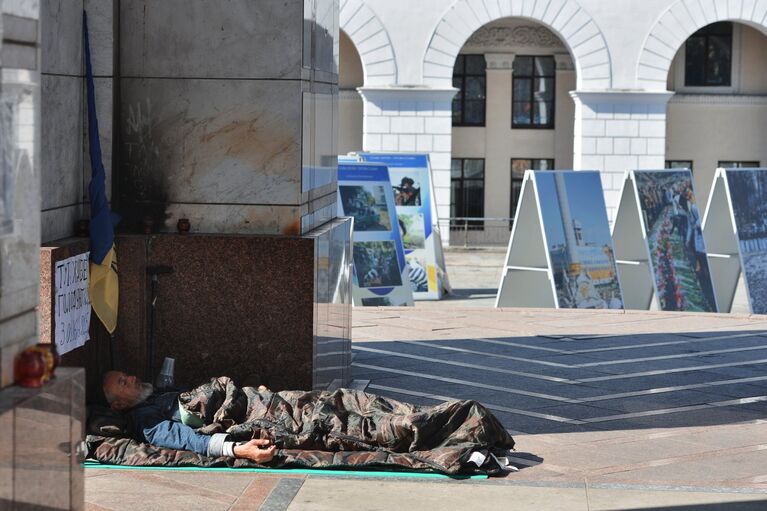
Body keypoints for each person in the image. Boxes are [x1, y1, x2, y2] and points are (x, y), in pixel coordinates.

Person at [102, 370, 276, 463]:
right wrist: (237, 450)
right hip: (255, 413)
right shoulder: (144, 419)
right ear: (119, 405)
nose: (132, 378)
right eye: (123, 382)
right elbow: (182, 437)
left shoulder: (155, 396)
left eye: (127, 376)